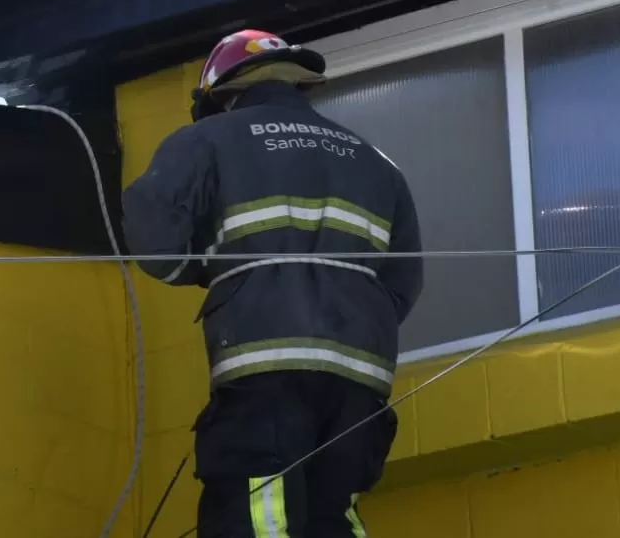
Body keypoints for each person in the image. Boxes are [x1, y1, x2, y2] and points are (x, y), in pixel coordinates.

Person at [121, 29, 423, 537]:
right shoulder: (378, 162)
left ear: (222, 93)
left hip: (264, 362)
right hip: (362, 374)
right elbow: (404, 280)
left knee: (257, 511)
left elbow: (152, 235)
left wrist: (214, 272)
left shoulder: (206, 138)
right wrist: (352, 313)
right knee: (333, 515)